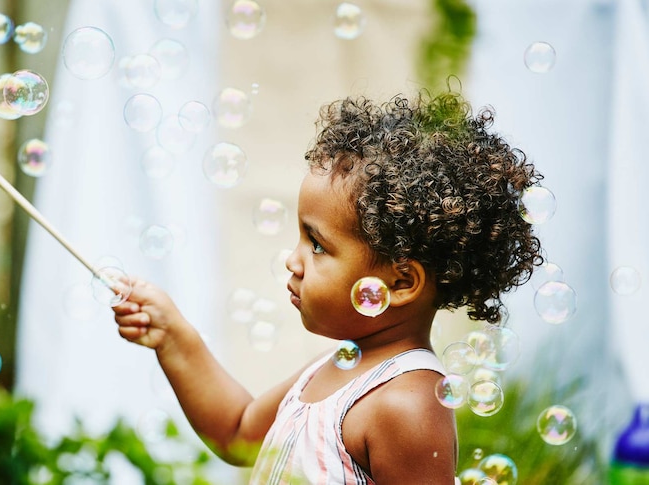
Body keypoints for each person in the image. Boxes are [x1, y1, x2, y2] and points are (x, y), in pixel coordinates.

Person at [112, 89, 543, 484]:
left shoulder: (406, 405)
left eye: (316, 244)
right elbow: (237, 431)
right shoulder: (339, 362)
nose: (292, 259)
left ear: (400, 281)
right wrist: (172, 335)